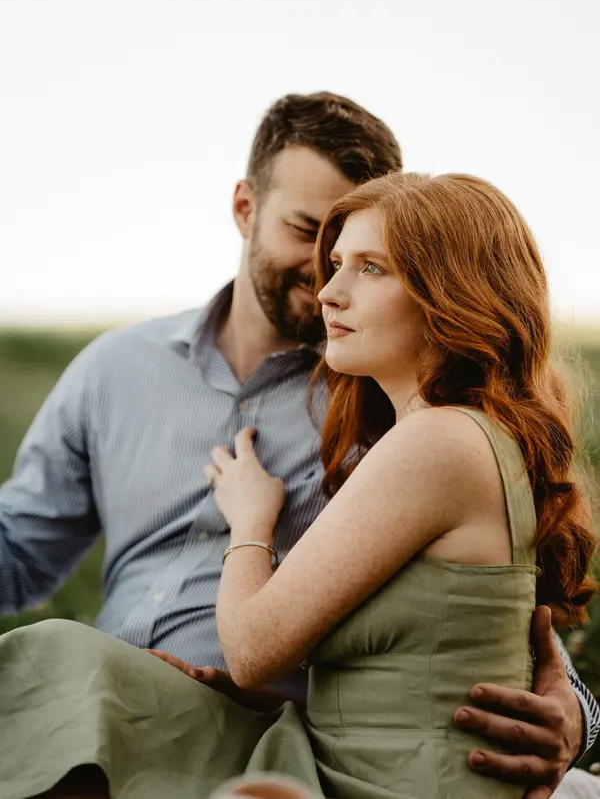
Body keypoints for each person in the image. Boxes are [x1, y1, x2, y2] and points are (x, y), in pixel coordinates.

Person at [0, 94, 597, 798]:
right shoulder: (114, 368)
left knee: (54, 656)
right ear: (245, 208)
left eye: (368, 263)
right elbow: (18, 549)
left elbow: (481, 611)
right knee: (54, 668)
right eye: (311, 236)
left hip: (274, 735)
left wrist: (576, 713)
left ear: (439, 285)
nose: (325, 286)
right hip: (112, 705)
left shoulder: (383, 405)